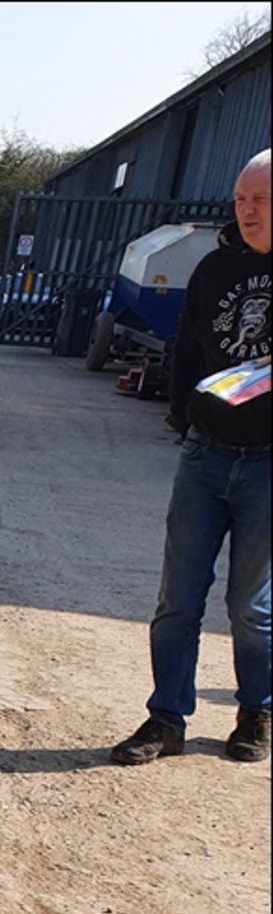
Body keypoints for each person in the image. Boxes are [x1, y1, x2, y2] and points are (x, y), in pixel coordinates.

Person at [112, 149, 271, 766]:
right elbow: (187, 348)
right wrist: (184, 417)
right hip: (206, 456)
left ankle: (256, 709)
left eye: (260, 200)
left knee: (250, 605)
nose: (247, 211)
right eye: (240, 199)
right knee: (177, 599)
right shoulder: (213, 268)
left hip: (268, 464)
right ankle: (165, 719)